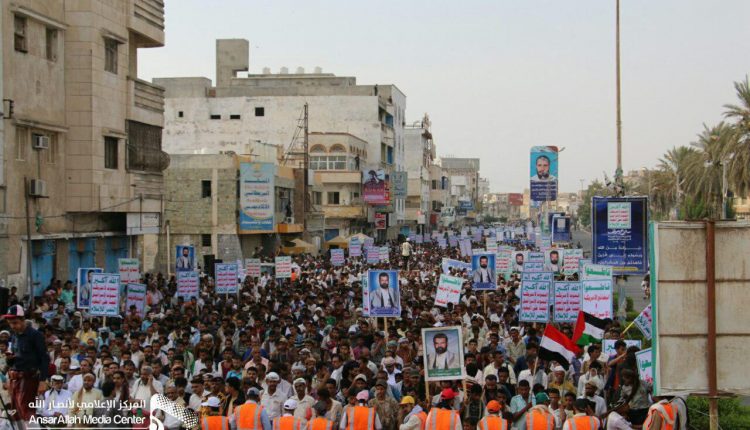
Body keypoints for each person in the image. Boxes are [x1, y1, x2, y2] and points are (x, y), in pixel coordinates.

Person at [4, 304, 50, 422]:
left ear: (23, 320)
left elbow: (44, 358)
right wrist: (10, 360)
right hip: (15, 379)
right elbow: (16, 358)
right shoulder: (14, 336)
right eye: (10, 323)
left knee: (27, 413)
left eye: (15, 322)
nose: (12, 326)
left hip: (29, 379)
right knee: (15, 414)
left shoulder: (35, 335)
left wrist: (43, 381)